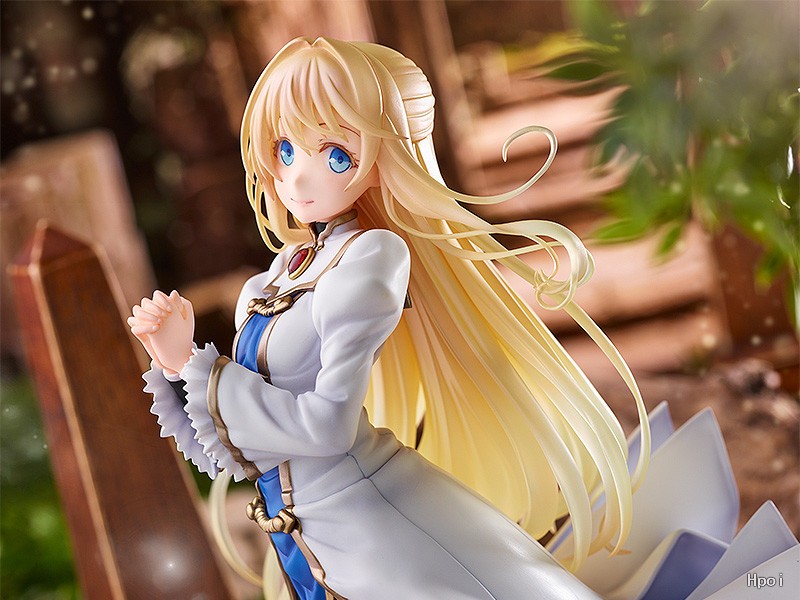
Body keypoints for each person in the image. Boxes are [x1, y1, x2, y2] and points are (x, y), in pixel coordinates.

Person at [129, 37, 652, 600]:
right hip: (305, 531)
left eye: (335, 154)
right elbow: (244, 444)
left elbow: (328, 426)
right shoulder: (272, 279)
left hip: (365, 521)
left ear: (384, 162)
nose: (298, 177)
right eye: (285, 150)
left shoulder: (371, 257)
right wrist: (177, 367)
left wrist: (199, 369)